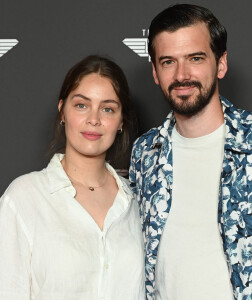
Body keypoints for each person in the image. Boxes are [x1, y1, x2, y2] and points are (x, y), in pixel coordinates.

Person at [129, 4, 252, 300]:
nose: (182, 75)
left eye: (195, 58)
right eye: (168, 62)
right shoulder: (145, 153)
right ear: (155, 72)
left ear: (220, 64)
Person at [0, 55, 144, 299]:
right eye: (81, 105)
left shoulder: (138, 203)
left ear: (121, 122)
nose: (94, 119)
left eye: (108, 109)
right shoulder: (24, 198)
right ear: (62, 111)